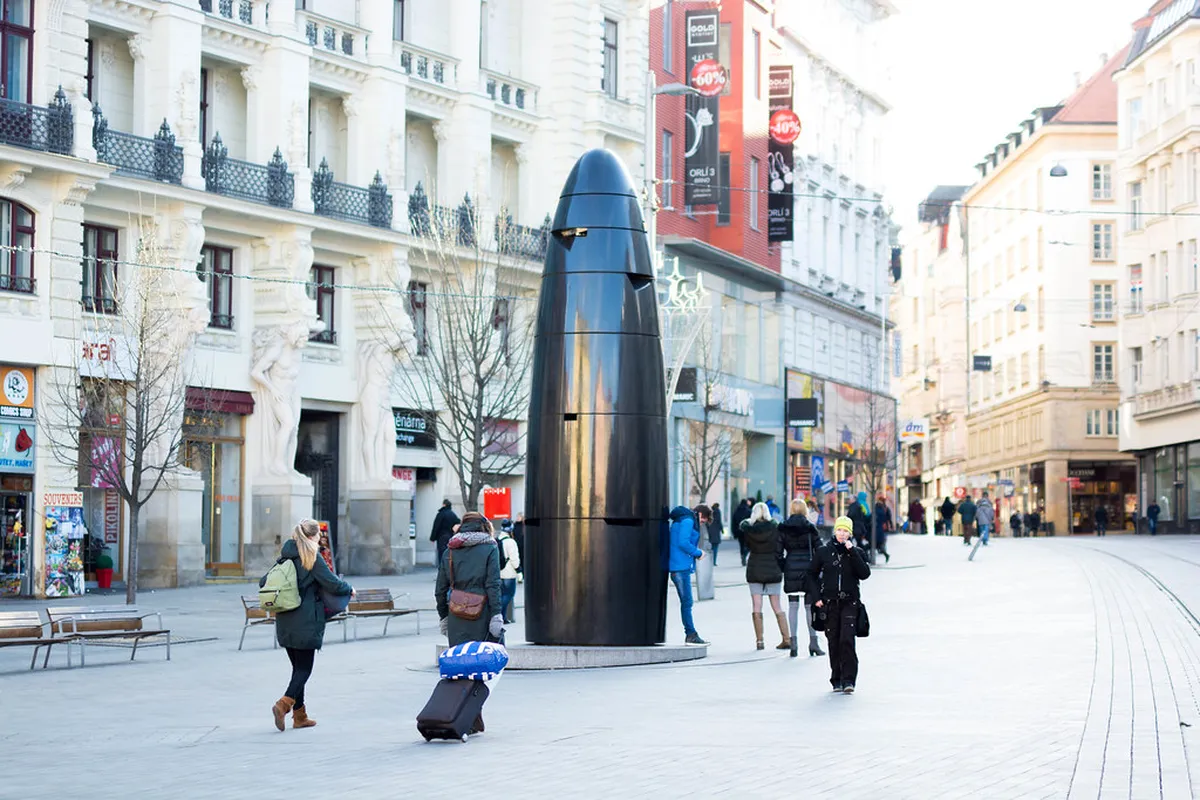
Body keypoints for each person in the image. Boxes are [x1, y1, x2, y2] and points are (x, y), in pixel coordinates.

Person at [267, 518, 354, 732]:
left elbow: (264, 582)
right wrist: (349, 589)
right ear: (313, 536)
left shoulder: (283, 558)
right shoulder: (311, 558)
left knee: (298, 668)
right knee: (304, 669)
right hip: (305, 621)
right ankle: (284, 704)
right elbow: (331, 582)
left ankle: (300, 716)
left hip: (285, 619)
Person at [809, 515, 871, 694]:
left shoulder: (856, 552)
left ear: (850, 534)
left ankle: (849, 679)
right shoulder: (823, 551)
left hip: (850, 602)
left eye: (846, 531)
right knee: (833, 641)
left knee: (847, 639)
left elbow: (864, 574)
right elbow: (811, 574)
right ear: (835, 531)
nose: (842, 534)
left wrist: (852, 552)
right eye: (839, 530)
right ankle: (836, 678)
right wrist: (816, 597)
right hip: (829, 603)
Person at [740, 502, 788, 651]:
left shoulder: (748, 530)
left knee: (757, 605)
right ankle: (786, 638)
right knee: (777, 606)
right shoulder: (775, 528)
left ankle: (759, 641)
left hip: (755, 568)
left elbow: (745, 545)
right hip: (773, 568)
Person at [779, 498, 823, 658]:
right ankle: (813, 642)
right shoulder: (810, 528)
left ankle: (794, 643)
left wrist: (784, 566)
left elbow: (777, 552)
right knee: (810, 607)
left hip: (791, 568)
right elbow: (820, 550)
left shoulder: (783, 528)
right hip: (808, 571)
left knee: (792, 606)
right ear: (805, 510)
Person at [667, 504, 709, 645]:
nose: (702, 524)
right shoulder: (688, 521)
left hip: (679, 565)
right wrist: (698, 553)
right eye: (703, 521)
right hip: (680, 566)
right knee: (687, 602)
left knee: (686, 602)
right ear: (701, 515)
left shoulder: (683, 520)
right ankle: (690, 634)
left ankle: (691, 633)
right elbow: (683, 543)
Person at [496, 520, 521, 622]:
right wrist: (519, 571)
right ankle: (500, 617)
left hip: (499, 572)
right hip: (509, 573)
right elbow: (514, 559)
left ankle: (503, 617)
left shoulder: (497, 539)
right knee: (508, 595)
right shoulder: (511, 542)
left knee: (502, 595)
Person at [430, 499, 460, 566]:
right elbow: (458, 523)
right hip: (450, 535)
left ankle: (442, 567)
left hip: (441, 536)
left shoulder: (441, 514)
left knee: (441, 553)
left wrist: (432, 538)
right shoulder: (453, 514)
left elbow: (436, 526)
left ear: (444, 505)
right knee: (449, 552)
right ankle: (448, 566)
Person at [731, 498, 753, 566]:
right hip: (747, 531)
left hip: (739, 531)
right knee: (748, 545)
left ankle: (742, 555)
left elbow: (733, 522)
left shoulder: (736, 511)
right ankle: (745, 554)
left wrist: (734, 532)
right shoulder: (749, 511)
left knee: (741, 545)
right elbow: (751, 521)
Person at [873, 495, 892, 563]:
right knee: (881, 542)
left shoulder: (879, 507)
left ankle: (883, 552)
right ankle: (884, 552)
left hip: (880, 527)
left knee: (879, 542)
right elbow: (889, 517)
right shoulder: (885, 508)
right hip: (883, 527)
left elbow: (886, 517)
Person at [511, 512, 526, 582]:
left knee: (523, 560)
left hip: (523, 546)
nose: (517, 518)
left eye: (519, 517)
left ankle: (523, 575)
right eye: (517, 517)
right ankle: (520, 574)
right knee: (517, 560)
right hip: (516, 545)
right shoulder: (514, 525)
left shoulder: (524, 525)